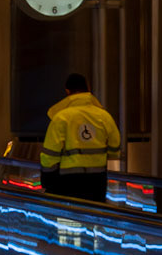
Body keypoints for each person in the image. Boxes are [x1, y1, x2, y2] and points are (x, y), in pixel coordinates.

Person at [40, 74, 121, 202]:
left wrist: (47, 180)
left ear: (67, 91)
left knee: (68, 218)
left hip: (67, 181)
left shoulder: (61, 118)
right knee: (94, 216)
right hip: (97, 181)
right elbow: (115, 146)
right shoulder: (104, 117)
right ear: (88, 89)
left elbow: (50, 155)